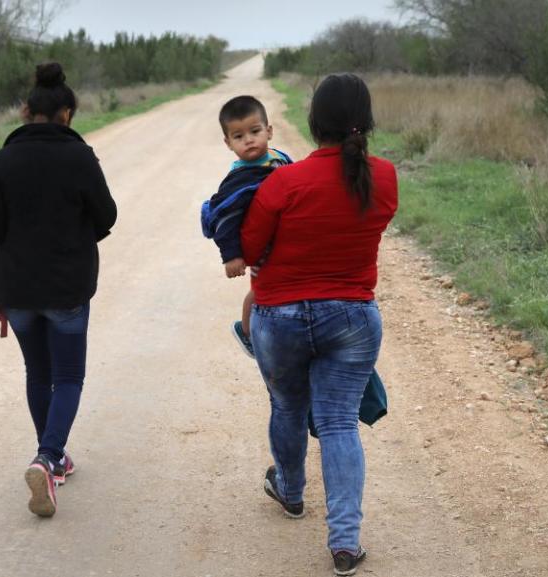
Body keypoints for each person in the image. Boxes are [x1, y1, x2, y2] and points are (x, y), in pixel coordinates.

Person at [241, 74, 398, 576]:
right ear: (366, 122)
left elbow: (247, 250)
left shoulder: (282, 182)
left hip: (279, 317)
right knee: (336, 422)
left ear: (313, 122)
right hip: (353, 318)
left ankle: (290, 492)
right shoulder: (385, 177)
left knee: (287, 406)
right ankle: (345, 543)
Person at [0, 62, 117, 518]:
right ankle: (48, 457)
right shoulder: (80, 157)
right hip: (66, 287)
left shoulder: (0, 161)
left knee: (38, 375)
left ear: (24, 111)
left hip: (16, 290)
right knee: (69, 377)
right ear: (67, 114)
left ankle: (53, 457)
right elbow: (107, 217)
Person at [201, 95, 290, 357]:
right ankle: (247, 331)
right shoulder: (240, 178)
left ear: (269, 131)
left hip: (283, 240)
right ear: (228, 143)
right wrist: (232, 256)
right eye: (238, 137)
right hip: (261, 247)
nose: (249, 140)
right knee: (259, 290)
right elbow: (226, 220)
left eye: (255, 131)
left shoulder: (278, 157)